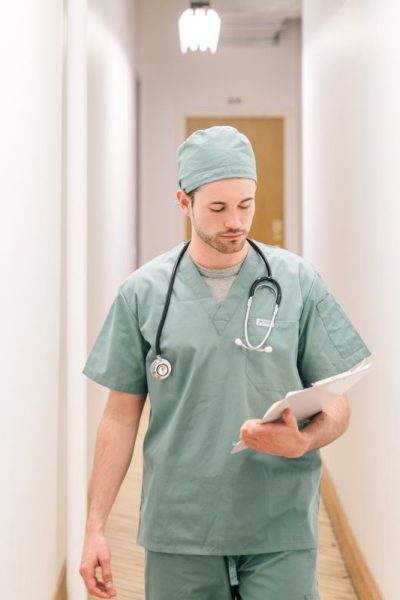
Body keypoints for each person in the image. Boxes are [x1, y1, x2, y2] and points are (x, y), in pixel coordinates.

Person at [79, 126, 371, 600]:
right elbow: (119, 416)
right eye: (217, 208)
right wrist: (95, 528)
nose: (236, 220)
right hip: (182, 525)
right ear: (183, 202)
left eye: (246, 204)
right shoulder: (143, 293)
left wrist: (307, 439)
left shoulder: (297, 281)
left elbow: (336, 403)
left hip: (278, 519)